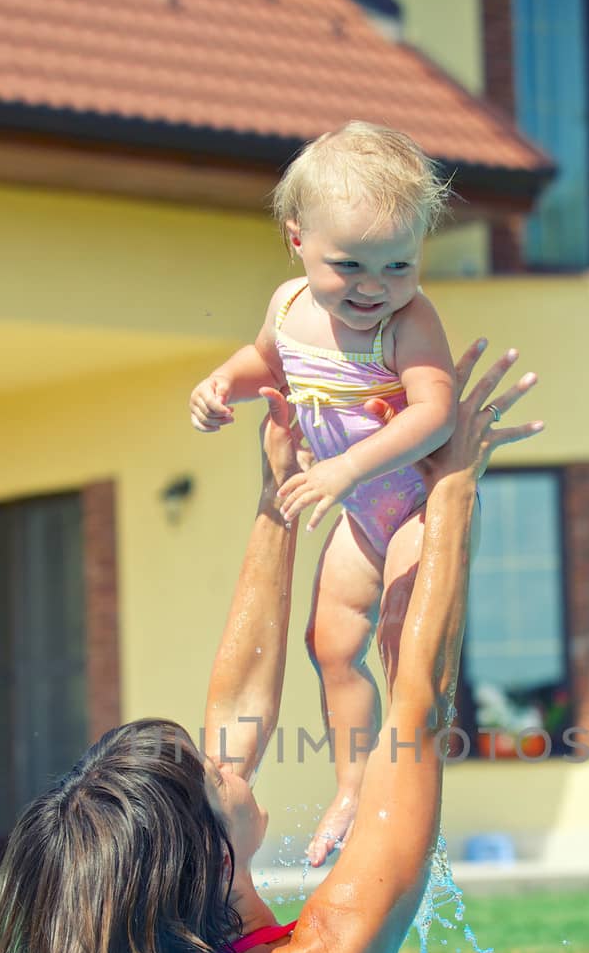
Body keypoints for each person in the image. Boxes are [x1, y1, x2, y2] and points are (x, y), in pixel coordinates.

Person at [0, 342, 541, 953]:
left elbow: (240, 701)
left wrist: (276, 501)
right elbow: (416, 704)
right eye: (210, 771)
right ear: (206, 847)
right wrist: (453, 486)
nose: (227, 756)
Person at [189, 122, 458, 865]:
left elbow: (436, 413)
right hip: (361, 521)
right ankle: (350, 785)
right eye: (350, 265)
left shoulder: (409, 322)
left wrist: (345, 470)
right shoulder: (288, 308)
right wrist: (222, 387)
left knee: (403, 635)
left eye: (398, 264)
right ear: (296, 240)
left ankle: (405, 775)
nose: (374, 287)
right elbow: (262, 363)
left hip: (410, 504)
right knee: (331, 645)